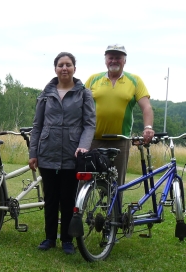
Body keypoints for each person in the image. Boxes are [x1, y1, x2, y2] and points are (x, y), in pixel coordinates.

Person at [28, 52, 96, 254]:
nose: (64, 68)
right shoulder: (46, 93)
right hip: (47, 152)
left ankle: (67, 240)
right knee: (50, 198)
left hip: (72, 153)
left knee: (68, 199)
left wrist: (83, 146)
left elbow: (90, 124)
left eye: (68, 65)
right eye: (60, 65)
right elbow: (37, 125)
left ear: (75, 68)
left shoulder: (84, 93)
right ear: (55, 69)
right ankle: (49, 238)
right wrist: (34, 152)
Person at [85, 44, 154, 187]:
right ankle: (81, 208)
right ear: (105, 60)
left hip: (120, 141)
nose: (114, 61)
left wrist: (148, 127)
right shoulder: (93, 79)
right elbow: (79, 104)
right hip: (92, 139)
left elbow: (146, 107)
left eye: (118, 58)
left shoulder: (135, 80)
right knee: (86, 180)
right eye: (111, 57)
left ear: (124, 61)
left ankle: (115, 210)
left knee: (116, 184)